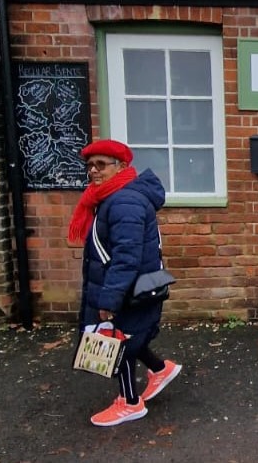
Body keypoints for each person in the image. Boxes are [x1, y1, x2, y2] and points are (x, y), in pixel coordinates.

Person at [68, 139, 181, 427]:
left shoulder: (123, 202)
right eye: (90, 165)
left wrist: (108, 300)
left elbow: (126, 258)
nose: (93, 171)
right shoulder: (112, 197)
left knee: (119, 341)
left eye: (101, 165)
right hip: (136, 285)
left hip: (127, 287)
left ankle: (130, 403)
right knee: (130, 336)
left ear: (121, 167)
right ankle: (160, 369)